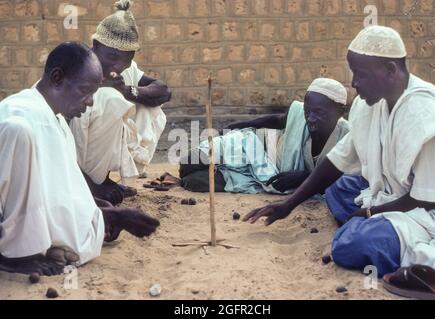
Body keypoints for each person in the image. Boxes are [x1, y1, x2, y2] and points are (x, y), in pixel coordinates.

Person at [244, 26, 435, 277]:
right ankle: (370, 228)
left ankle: (389, 242)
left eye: (361, 74)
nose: (353, 84)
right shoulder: (370, 104)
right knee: (338, 189)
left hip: (431, 214)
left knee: (349, 245)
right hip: (392, 196)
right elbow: (338, 159)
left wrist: (370, 212)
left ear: (391, 70)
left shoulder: (424, 115)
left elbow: (431, 197)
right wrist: (290, 203)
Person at [0, 42, 159, 276]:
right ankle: (14, 255)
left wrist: (101, 210)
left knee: (86, 225)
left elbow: (55, 188)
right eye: (86, 91)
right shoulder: (17, 121)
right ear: (57, 78)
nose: (91, 101)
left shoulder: (56, 119)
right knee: (19, 132)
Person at [70, 0, 172, 205]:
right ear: (97, 46)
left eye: (126, 59)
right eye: (113, 57)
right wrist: (93, 186)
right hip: (70, 160)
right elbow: (60, 140)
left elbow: (163, 90)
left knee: (148, 105)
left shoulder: (127, 70)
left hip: (96, 157)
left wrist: (129, 91)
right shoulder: (77, 68)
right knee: (110, 102)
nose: (119, 66)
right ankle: (90, 186)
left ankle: (104, 179)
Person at [177, 78, 349, 194]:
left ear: (340, 112)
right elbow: (279, 120)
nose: (311, 118)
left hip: (271, 174)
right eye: (308, 111)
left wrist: (305, 177)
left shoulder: (348, 138)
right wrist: (236, 126)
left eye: (319, 113)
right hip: (257, 143)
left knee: (194, 182)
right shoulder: (297, 113)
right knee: (189, 161)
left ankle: (228, 174)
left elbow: (347, 181)